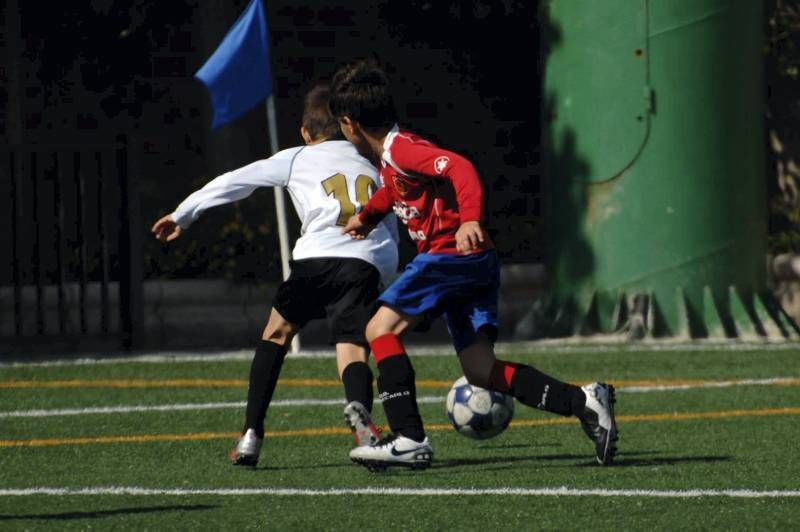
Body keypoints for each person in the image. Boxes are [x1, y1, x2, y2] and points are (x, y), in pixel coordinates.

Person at [329, 60, 618, 471]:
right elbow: (396, 191)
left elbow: (460, 167)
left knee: (379, 328)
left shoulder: (401, 148)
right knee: (480, 369)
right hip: (472, 263)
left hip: (450, 256)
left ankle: (409, 438)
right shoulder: (391, 157)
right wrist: (368, 216)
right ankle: (585, 401)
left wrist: (469, 219)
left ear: (348, 123)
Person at [151, 84, 398, 466]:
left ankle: (251, 434)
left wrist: (183, 213)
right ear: (349, 127)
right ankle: (361, 422)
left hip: (314, 257)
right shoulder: (374, 163)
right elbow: (391, 223)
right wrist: (385, 271)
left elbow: (234, 181)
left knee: (277, 333)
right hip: (361, 261)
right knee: (351, 346)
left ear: (305, 132)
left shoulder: (297, 157)